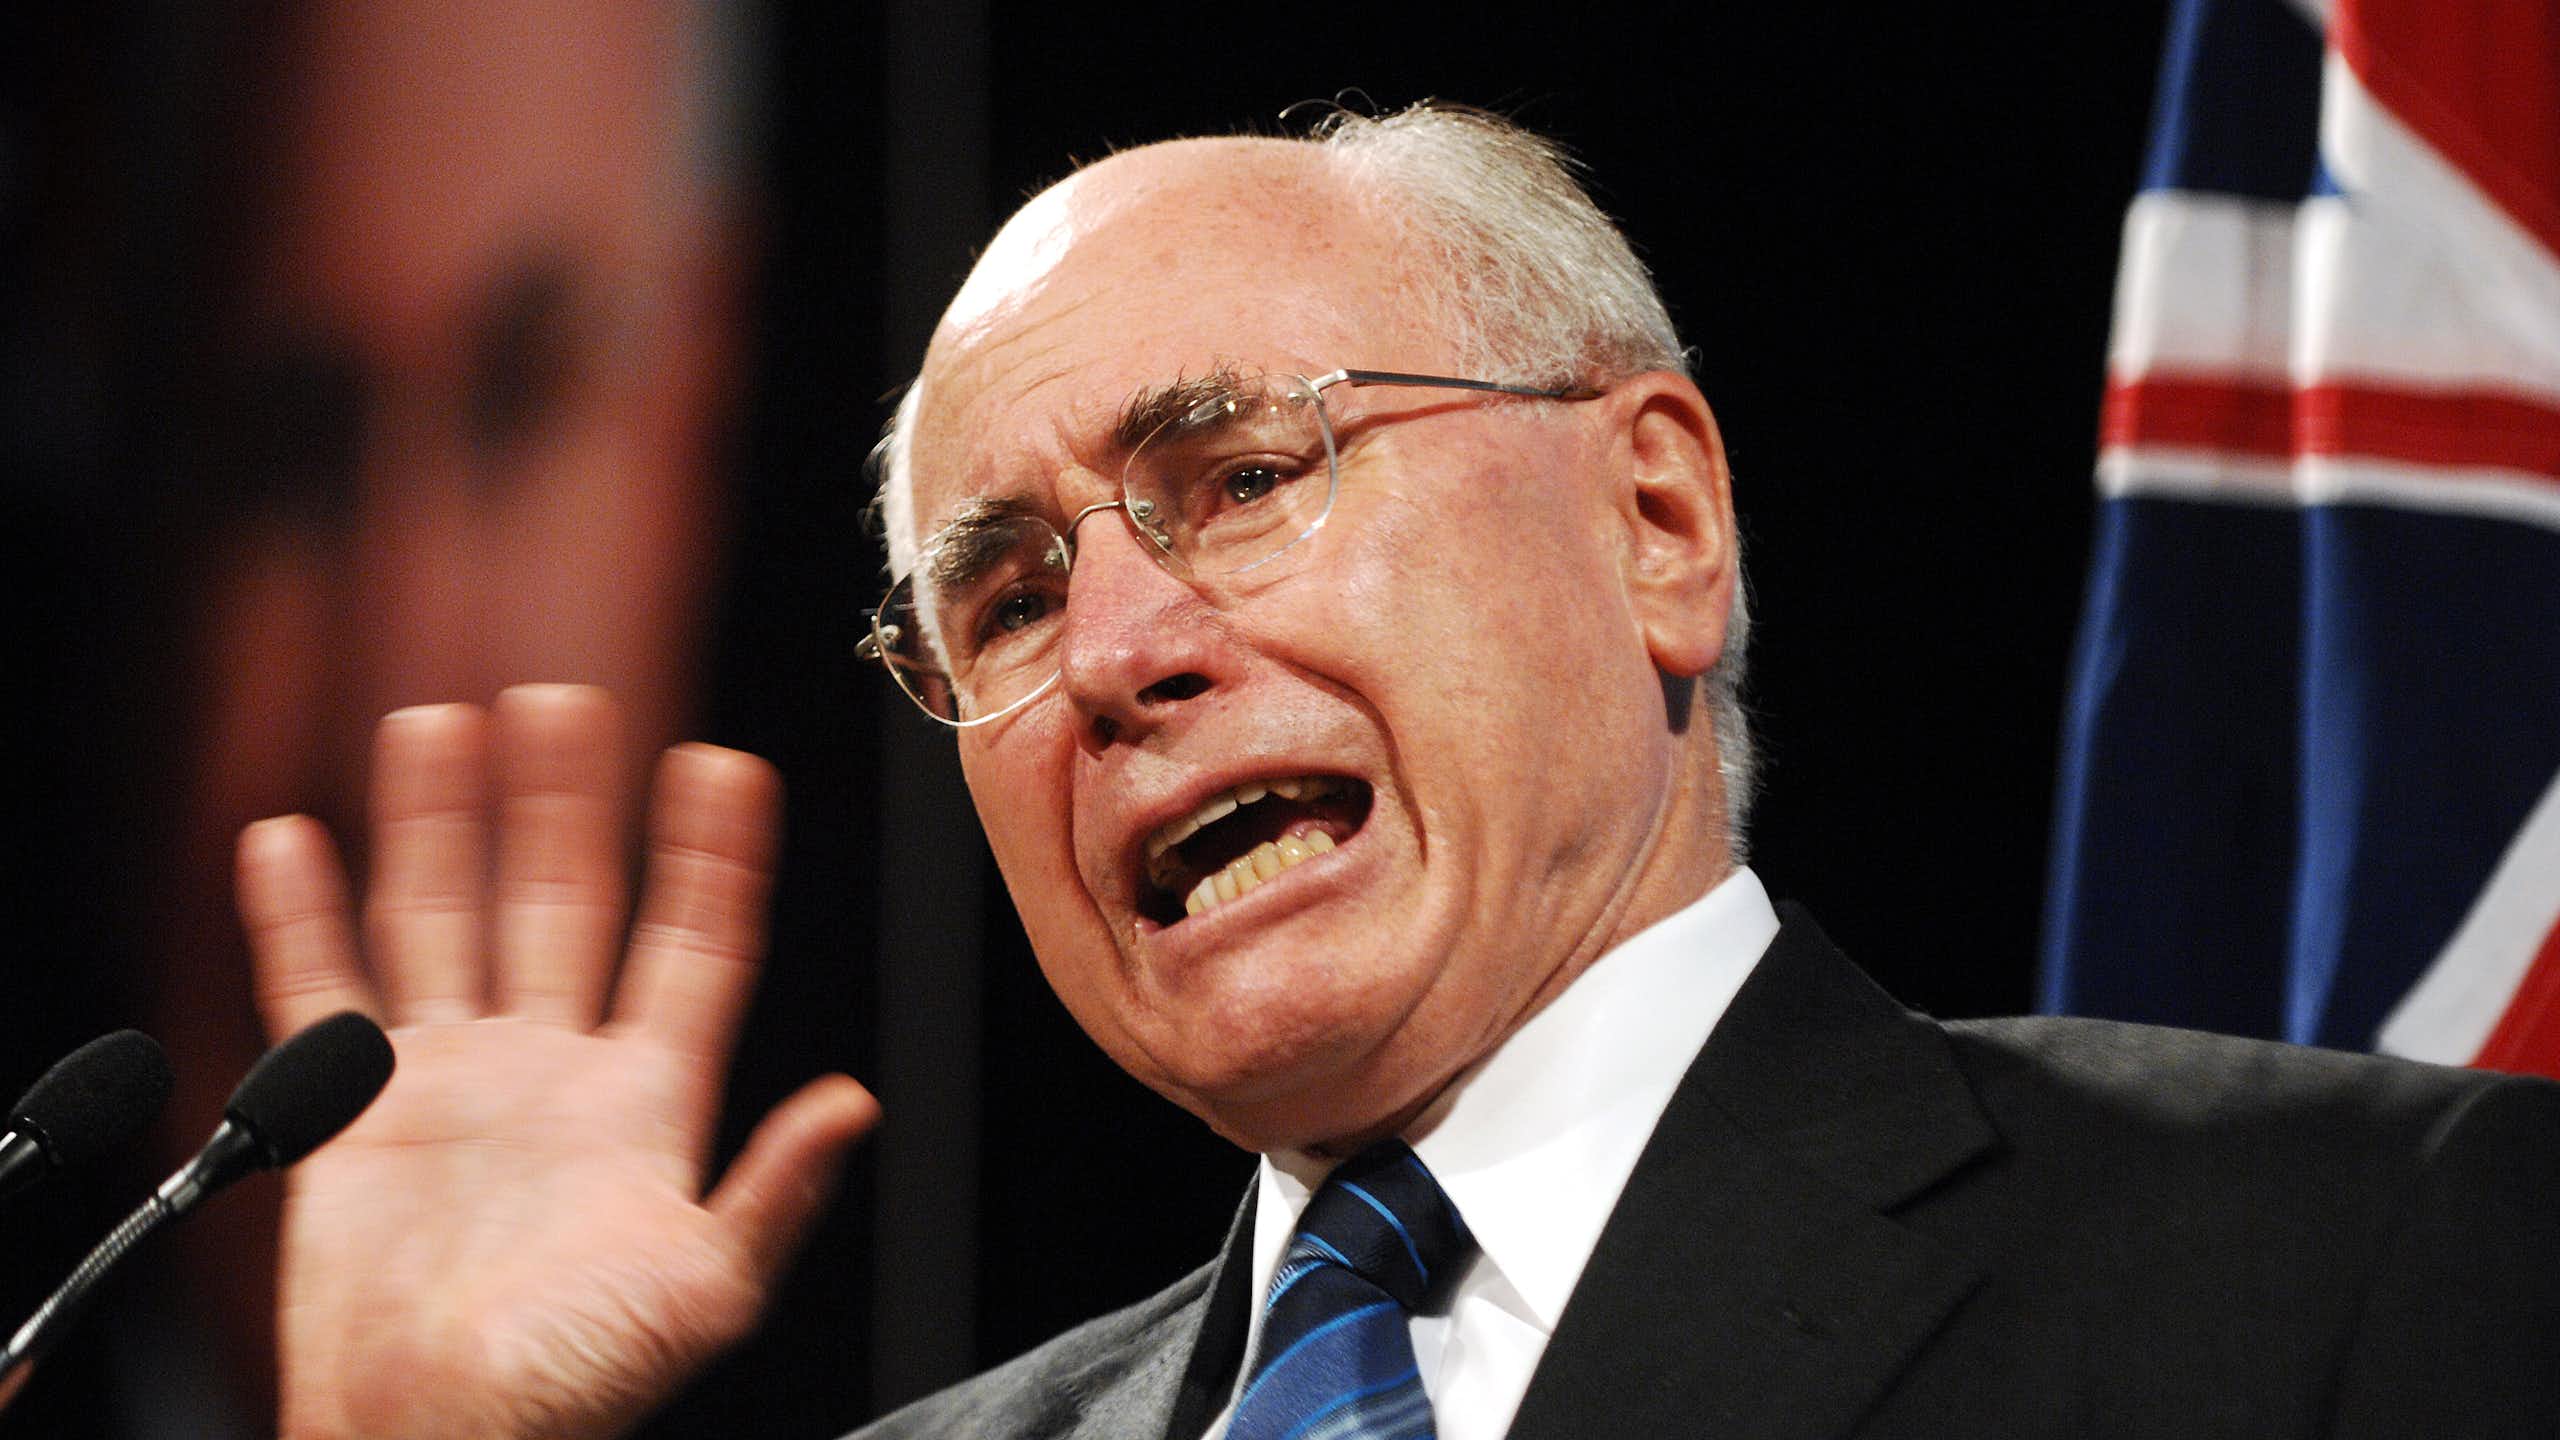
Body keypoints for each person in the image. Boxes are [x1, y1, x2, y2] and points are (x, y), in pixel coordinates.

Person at [233, 105, 2559, 1439]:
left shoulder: (2358, 1260)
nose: (1122, 653)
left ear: (1655, 520)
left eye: (1239, 474)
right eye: (1008, 596)